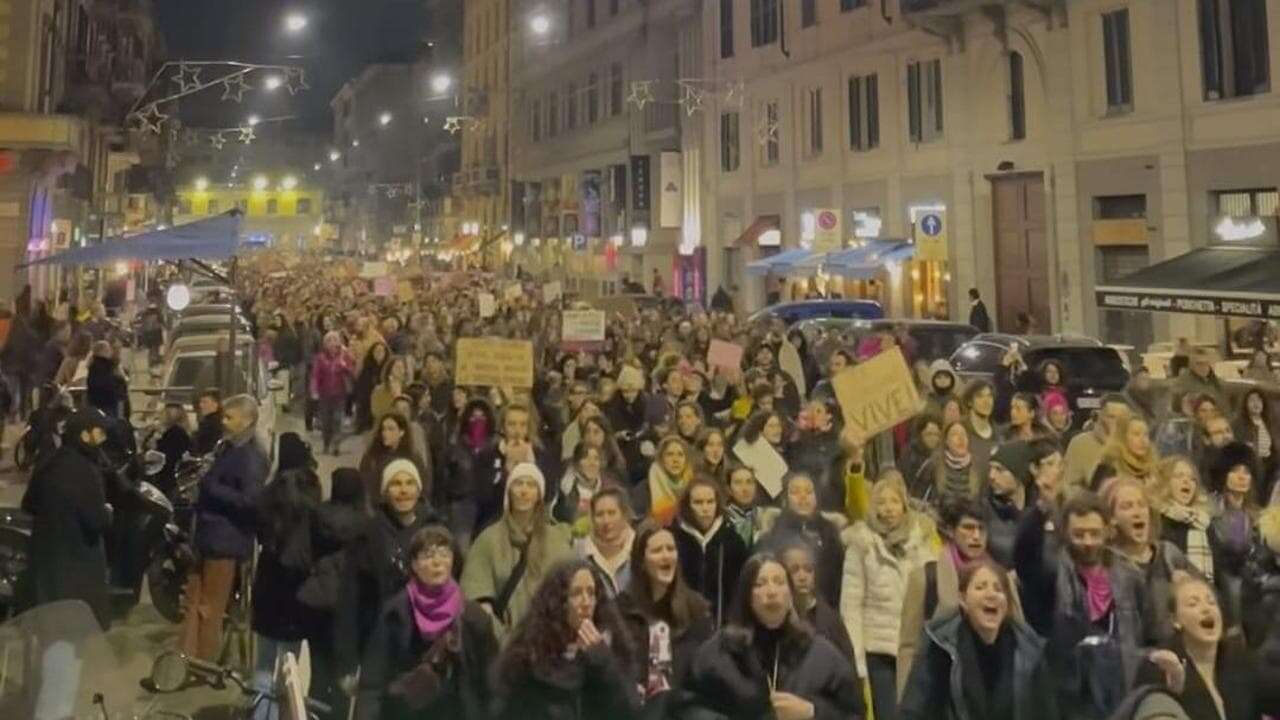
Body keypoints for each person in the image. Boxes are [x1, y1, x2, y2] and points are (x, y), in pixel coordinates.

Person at [1012, 491, 1155, 720]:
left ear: (1108, 530)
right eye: (1079, 534)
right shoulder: (1053, 572)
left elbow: (1149, 631)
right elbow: (1024, 558)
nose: (1088, 542)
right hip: (1067, 690)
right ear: (1065, 533)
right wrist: (1040, 509)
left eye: (1095, 534)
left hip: (1121, 686)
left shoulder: (1131, 576)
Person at [684, 554, 865, 719]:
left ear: (790, 595)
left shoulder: (821, 654)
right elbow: (686, 707)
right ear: (746, 596)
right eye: (760, 584)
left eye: (779, 582)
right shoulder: (718, 653)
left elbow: (855, 714)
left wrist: (813, 712)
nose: (771, 592)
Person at [357, 526, 499, 720]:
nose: (437, 563)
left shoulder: (473, 617)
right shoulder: (395, 613)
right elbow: (373, 681)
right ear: (414, 564)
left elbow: (492, 682)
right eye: (428, 555)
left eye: (444, 554)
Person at [899, 560, 1060, 720]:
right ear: (963, 599)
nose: (991, 594)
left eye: (998, 589)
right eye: (980, 587)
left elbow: (1045, 711)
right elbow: (914, 708)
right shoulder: (940, 644)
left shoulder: (1028, 648)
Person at [898, 497, 1025, 695]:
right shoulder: (926, 577)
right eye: (968, 528)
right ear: (951, 531)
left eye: (981, 529)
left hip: (992, 687)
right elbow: (908, 646)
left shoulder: (1002, 581)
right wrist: (906, 697)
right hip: (939, 689)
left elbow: (1021, 638)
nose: (976, 536)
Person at [490, 559, 641, 720]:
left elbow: (628, 710)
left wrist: (602, 662)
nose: (586, 602)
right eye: (576, 593)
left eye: (591, 593)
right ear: (559, 602)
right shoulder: (529, 654)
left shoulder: (615, 647)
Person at [334, 459, 441, 686]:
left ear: (419, 489)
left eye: (410, 483)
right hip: (377, 645)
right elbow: (350, 598)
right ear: (385, 491)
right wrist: (347, 663)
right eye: (396, 483)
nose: (403, 490)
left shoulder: (436, 531)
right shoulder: (368, 533)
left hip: (424, 649)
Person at [840, 471, 937, 720]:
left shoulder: (920, 541)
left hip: (914, 648)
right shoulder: (861, 543)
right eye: (881, 502)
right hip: (878, 650)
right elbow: (851, 604)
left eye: (894, 501)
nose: (889, 508)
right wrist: (857, 659)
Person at [182, 395, 270, 661]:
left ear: (247, 420)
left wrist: (211, 488)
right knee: (195, 601)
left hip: (226, 540)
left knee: (210, 606)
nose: (224, 422)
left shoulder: (251, 456)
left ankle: (203, 660)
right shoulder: (230, 447)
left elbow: (251, 500)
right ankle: (186, 657)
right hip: (211, 536)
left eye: (230, 417)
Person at [1134, 574, 1280, 720]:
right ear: (1175, 620)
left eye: (1211, 602)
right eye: (1193, 604)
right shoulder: (1160, 667)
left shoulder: (1240, 661)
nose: (1206, 609)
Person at [250, 433, 324, 720]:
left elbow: (258, 531)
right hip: (297, 586)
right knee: (290, 663)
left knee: (264, 663)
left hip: (269, 582)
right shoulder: (311, 490)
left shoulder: (268, 493)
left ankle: (261, 715)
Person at [19, 411, 112, 629]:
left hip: (46, 565)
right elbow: (96, 520)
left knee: (50, 633)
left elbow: (28, 504)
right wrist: (107, 512)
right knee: (68, 639)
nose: (103, 440)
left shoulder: (49, 462)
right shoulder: (86, 471)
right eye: (99, 434)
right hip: (75, 570)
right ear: (84, 435)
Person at [461, 462, 574, 638]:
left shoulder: (557, 541)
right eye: (518, 484)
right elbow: (475, 596)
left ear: (539, 494)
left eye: (531, 485)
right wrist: (501, 638)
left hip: (548, 640)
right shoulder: (488, 540)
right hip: (499, 642)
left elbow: (570, 591)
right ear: (509, 492)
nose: (524, 491)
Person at [616, 521, 714, 715]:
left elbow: (704, 674)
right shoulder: (621, 609)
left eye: (671, 549)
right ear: (641, 562)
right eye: (657, 550)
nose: (666, 555)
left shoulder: (697, 609)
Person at [760, 471, 847, 607]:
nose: (803, 497)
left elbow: (839, 580)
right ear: (784, 500)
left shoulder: (829, 531)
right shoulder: (772, 535)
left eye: (809, 491)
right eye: (795, 492)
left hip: (825, 608)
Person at [673, 478, 749, 627]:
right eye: (698, 502)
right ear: (687, 505)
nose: (705, 508)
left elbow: (742, 592)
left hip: (723, 630)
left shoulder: (733, 541)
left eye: (710, 502)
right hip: (682, 630)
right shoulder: (672, 539)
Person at [777, 539, 856, 663]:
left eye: (808, 569)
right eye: (794, 570)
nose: (802, 577)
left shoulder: (830, 621)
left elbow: (847, 666)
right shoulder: (775, 618)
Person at [1153, 456, 1216, 581]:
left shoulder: (1204, 522)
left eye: (1192, 479)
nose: (1186, 481)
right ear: (1165, 482)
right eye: (1179, 476)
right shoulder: (1156, 520)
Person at [359, 413, 430, 516]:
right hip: (379, 515)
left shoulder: (413, 458)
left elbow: (423, 487)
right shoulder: (371, 458)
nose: (385, 433)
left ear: (401, 432)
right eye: (383, 429)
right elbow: (364, 488)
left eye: (390, 429)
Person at [1064, 395, 1131, 494]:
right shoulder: (1080, 443)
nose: (1117, 422)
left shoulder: (1133, 444)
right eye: (1111, 417)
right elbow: (1069, 485)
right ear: (1100, 416)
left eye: (1122, 418)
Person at [575, 487, 635, 598]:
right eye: (599, 514)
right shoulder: (579, 553)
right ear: (592, 518)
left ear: (624, 515)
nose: (606, 521)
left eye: (611, 513)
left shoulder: (640, 548)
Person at [553, 443, 614, 538]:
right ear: (576, 463)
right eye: (586, 458)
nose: (592, 463)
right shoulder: (564, 489)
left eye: (596, 459)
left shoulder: (610, 490)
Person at [915, 420, 980, 507]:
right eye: (955, 434)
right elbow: (914, 498)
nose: (961, 438)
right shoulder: (933, 464)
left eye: (964, 434)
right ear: (946, 441)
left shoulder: (978, 467)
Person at [310, 331, 355, 456]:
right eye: (329, 340)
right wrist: (314, 391)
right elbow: (315, 375)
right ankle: (326, 444)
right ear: (325, 344)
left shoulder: (344, 356)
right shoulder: (320, 358)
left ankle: (336, 445)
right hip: (324, 394)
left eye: (335, 340)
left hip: (340, 394)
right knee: (326, 421)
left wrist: (344, 366)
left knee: (337, 419)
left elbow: (352, 371)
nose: (332, 343)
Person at [634, 435, 694, 526]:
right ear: (661, 459)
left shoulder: (695, 486)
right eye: (670, 454)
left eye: (680, 455)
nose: (675, 460)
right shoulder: (643, 489)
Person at [1100, 415, 1159, 488]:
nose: (1143, 440)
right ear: (1122, 437)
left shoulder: (1153, 469)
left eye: (1146, 435)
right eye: (1136, 434)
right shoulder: (1108, 467)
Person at [85, 340, 127, 418]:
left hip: (95, 403)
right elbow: (116, 383)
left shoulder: (92, 367)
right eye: (108, 350)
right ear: (103, 351)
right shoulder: (107, 367)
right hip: (109, 403)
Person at [725, 465, 763, 548]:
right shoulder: (722, 518)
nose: (745, 488)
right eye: (738, 483)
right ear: (728, 489)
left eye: (749, 482)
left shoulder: (765, 516)